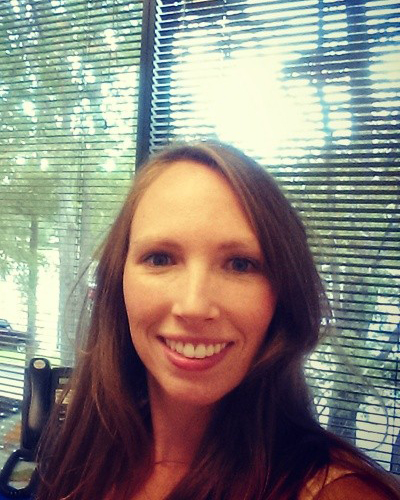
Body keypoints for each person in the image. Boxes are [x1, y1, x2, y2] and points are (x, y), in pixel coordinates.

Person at [36, 142, 400, 500]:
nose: (194, 306)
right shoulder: (90, 452)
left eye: (240, 264)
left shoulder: (335, 493)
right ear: (119, 281)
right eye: (161, 258)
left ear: (282, 292)